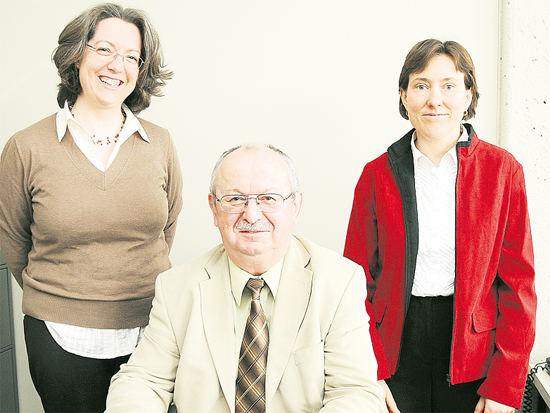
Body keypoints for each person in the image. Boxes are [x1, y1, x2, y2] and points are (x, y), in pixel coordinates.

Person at [105, 144, 385, 412]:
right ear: (214, 209)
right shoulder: (176, 287)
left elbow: (355, 391)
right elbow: (143, 381)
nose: (251, 215)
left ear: (295, 206)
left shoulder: (339, 282)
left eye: (268, 198)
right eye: (235, 199)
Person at [0, 4, 183, 412]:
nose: (117, 65)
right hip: (59, 334)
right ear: (77, 54)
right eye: (104, 49)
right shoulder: (25, 147)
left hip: (152, 329)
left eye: (132, 56)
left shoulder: (161, 144)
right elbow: (13, 241)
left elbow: (165, 228)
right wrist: (62, 296)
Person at [344, 38, 536, 413]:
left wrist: (505, 384)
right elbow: (354, 282)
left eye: (449, 86)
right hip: (393, 355)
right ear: (403, 96)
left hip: (476, 358)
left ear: (468, 95)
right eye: (421, 86)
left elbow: (519, 286)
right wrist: (370, 371)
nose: (435, 100)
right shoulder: (376, 175)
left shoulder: (503, 171)